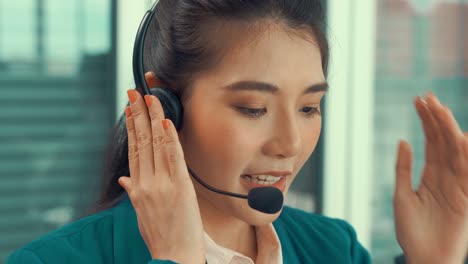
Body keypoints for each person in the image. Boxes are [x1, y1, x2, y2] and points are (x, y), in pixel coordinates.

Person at [6, 0, 468, 263]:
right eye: (252, 108)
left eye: (309, 107)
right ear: (162, 106)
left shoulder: (334, 250)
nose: (289, 144)